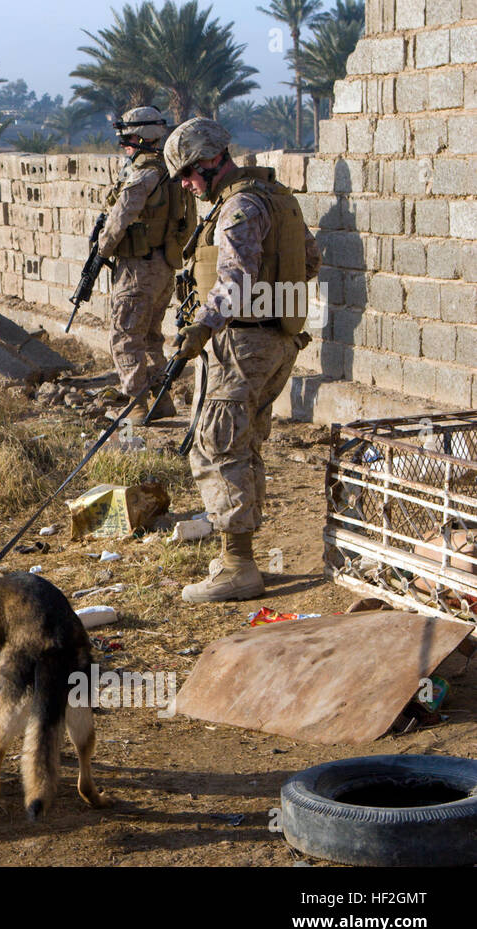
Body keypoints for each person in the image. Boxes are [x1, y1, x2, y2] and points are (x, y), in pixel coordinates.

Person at [161, 117, 321, 603]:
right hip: (276, 341)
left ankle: (239, 566)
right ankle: (240, 554)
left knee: (216, 445)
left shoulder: (240, 207)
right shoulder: (277, 197)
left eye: (189, 173)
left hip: (242, 344)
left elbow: (235, 284)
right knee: (243, 443)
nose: (187, 185)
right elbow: (309, 260)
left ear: (213, 161)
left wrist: (203, 326)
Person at [97, 106, 194, 423]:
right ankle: (160, 400)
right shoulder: (172, 172)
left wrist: (101, 251)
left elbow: (119, 218)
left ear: (140, 138)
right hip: (164, 267)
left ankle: (136, 404)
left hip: (138, 268)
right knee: (151, 338)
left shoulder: (143, 174)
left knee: (124, 336)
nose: (125, 146)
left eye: (127, 139)